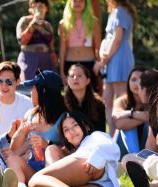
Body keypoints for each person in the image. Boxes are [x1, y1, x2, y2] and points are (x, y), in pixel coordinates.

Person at [7, 111, 121, 187]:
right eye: (66, 130)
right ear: (65, 137)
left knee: (34, 181)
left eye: (75, 125)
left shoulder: (94, 137)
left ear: (86, 126)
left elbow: (112, 147)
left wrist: (95, 158)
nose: (71, 131)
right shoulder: (67, 152)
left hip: (93, 171)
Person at [3, 70, 66, 187]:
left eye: (33, 88)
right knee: (12, 159)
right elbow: (14, 149)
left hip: (54, 173)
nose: (31, 91)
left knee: (50, 151)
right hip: (33, 170)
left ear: (43, 91)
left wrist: (47, 144)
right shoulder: (30, 114)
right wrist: (21, 132)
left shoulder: (64, 118)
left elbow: (72, 151)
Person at [94, 0, 137, 135]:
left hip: (120, 58)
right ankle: (111, 136)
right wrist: (102, 55)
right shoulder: (115, 11)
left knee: (121, 100)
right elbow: (108, 39)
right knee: (107, 100)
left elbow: (117, 39)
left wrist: (102, 62)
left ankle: (121, 138)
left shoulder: (120, 11)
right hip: (112, 59)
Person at [123, 69, 158, 187]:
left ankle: (152, 184)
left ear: (146, 89)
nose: (138, 91)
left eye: (140, 87)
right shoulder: (152, 113)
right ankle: (150, 181)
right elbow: (150, 149)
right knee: (128, 158)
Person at [58, 0, 101, 93]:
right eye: (75, 0)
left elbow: (98, 47)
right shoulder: (63, 23)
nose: (78, 3)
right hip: (70, 63)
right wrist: (61, 71)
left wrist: (99, 66)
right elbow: (62, 50)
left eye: (81, 0)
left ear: (86, 3)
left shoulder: (93, 21)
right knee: (71, 96)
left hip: (89, 63)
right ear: (70, 3)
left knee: (91, 95)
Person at [0, 61, 33, 137]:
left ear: (18, 81)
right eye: (0, 81)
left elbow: (31, 137)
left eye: (9, 81)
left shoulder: (28, 104)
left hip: (17, 148)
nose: (4, 85)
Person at [16, 0, 56, 81]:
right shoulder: (24, 21)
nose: (39, 4)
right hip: (29, 59)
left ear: (46, 9)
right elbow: (22, 41)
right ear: (30, 9)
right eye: (35, 2)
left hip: (46, 60)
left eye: (42, 3)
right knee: (29, 88)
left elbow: (51, 47)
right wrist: (33, 24)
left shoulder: (47, 25)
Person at [112, 67, 148, 158]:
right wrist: (145, 117)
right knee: (128, 127)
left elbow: (151, 117)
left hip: (147, 147)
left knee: (149, 125)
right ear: (128, 83)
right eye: (133, 80)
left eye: (141, 79)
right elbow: (119, 124)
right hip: (123, 148)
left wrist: (130, 114)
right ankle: (137, 159)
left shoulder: (152, 101)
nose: (137, 83)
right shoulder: (122, 101)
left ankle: (140, 159)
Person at [64, 63, 106, 132]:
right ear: (67, 81)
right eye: (72, 76)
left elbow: (101, 132)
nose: (75, 78)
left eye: (79, 76)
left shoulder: (99, 104)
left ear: (88, 80)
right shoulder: (61, 103)